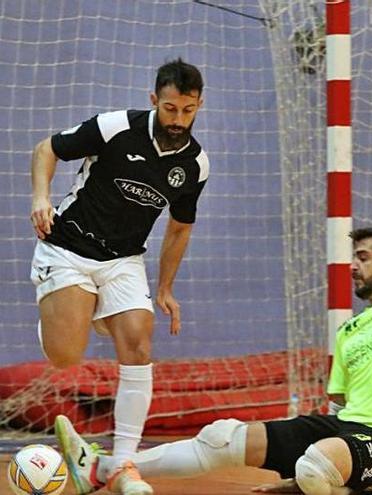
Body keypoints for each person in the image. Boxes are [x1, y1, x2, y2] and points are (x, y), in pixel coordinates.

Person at [55, 225, 372, 495]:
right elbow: (339, 406)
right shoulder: (348, 329)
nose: (352, 266)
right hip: (348, 427)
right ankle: (102, 469)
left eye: (362, 257)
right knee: (223, 437)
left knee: (316, 464)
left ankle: (316, 482)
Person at [31, 58, 209, 495]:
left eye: (187, 110)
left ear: (198, 105)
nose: (178, 119)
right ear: (154, 101)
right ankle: (63, 316)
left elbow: (180, 227)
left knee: (140, 341)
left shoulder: (196, 163)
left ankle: (120, 464)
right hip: (69, 247)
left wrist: (165, 287)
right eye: (170, 109)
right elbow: (46, 149)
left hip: (124, 261)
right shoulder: (115, 127)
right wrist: (41, 198)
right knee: (66, 357)